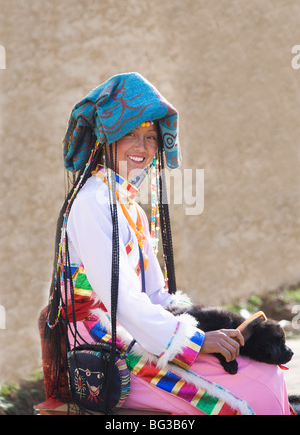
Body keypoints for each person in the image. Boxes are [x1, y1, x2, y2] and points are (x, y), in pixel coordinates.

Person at [43, 72, 292, 415]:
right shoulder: (92, 203)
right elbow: (122, 300)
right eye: (129, 134)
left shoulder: (127, 205)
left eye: (150, 136)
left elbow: (156, 298)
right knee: (254, 394)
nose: (142, 148)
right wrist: (196, 341)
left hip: (139, 332)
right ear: (106, 138)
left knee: (267, 371)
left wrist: (210, 329)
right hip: (103, 344)